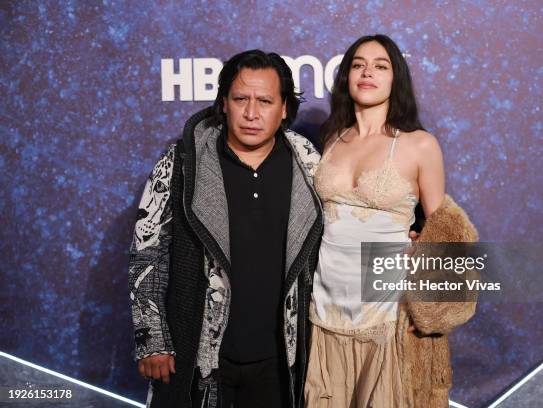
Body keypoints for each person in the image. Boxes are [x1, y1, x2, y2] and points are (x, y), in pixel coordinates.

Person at [128, 49, 323, 408]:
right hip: (198, 354)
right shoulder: (184, 161)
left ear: (283, 109)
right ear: (223, 103)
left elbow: (346, 239)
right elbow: (148, 252)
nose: (251, 113)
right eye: (240, 99)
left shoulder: (310, 165)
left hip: (282, 361)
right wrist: (152, 338)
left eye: (265, 101)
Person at [304, 34, 478, 407]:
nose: (368, 72)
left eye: (380, 66)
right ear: (346, 76)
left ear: (395, 77)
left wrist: (431, 308)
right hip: (325, 311)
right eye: (358, 64)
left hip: (386, 314)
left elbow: (444, 231)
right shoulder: (333, 138)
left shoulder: (420, 145)